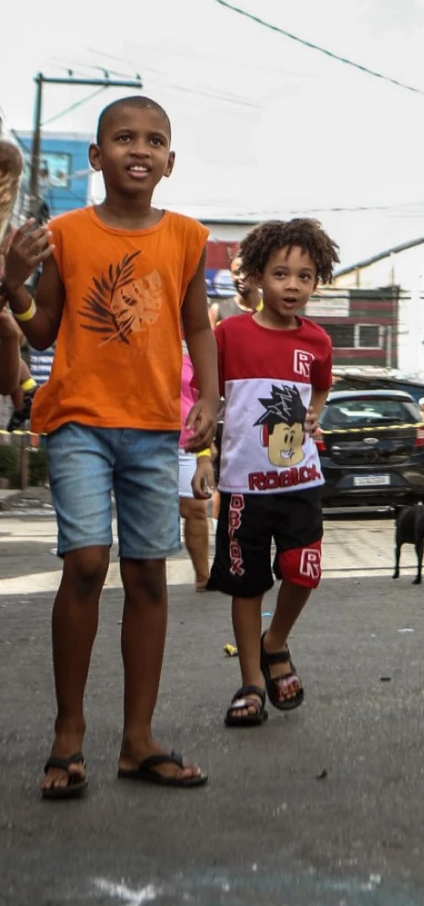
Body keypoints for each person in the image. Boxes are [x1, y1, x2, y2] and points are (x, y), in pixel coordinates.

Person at [1, 96, 216, 798]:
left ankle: (138, 740)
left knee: (149, 573)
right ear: (96, 156)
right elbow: (41, 329)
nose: (139, 149)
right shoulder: (65, 233)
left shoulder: (186, 236)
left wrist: (210, 398)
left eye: (154, 139)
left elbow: (198, 326)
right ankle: (68, 733)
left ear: (170, 161)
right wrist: (12, 282)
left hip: (154, 429)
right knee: (88, 560)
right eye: (124, 137)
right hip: (79, 424)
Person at [206, 217, 336, 725]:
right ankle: (251, 683)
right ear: (258, 276)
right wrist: (201, 455)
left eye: (305, 276)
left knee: (304, 571)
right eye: (281, 274)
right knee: (247, 584)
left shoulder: (317, 341)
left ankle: (275, 641)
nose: (293, 286)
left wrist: (315, 413)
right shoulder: (228, 335)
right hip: (243, 486)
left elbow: (321, 386)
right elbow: (203, 397)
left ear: (317, 282)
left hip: (301, 481)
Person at [178, 346, 213, 590]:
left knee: (196, 509)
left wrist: (205, 450)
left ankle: (203, 577)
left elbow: (203, 402)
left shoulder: (193, 353)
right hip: (147, 439)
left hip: (187, 442)